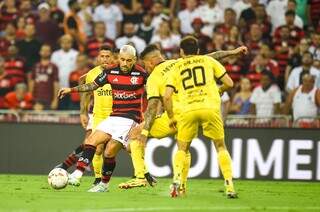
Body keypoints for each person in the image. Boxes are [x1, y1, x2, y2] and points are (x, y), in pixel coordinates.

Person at [118, 43, 248, 190]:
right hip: (191, 110)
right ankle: (182, 186)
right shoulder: (179, 62)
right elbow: (211, 57)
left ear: (151, 61)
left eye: (145, 64)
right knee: (185, 148)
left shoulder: (153, 78)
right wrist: (233, 52)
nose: (146, 68)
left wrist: (145, 132)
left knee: (135, 135)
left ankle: (140, 177)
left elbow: (152, 108)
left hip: (174, 116)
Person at [58, 45, 148, 192]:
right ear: (118, 58)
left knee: (109, 152)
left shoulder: (142, 74)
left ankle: (104, 184)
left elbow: (154, 94)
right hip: (113, 117)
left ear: (135, 60)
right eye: (122, 60)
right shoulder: (110, 71)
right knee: (91, 141)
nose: (125, 64)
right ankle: (77, 174)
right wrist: (71, 90)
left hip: (131, 119)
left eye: (128, 60)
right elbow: (92, 86)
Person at [163, 36, 236, 198]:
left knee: (182, 148)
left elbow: (167, 96)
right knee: (220, 146)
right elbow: (230, 83)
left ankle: (177, 182)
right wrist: (220, 89)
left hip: (188, 110)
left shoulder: (176, 66)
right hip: (210, 107)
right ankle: (229, 185)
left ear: (181, 52)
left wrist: (171, 117)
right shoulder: (208, 61)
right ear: (198, 51)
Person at [57, 45, 114, 186]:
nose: (105, 59)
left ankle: (142, 174)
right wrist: (83, 112)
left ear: (112, 57)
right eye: (102, 56)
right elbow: (85, 91)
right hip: (98, 115)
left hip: (116, 115)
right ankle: (97, 179)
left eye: (108, 56)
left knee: (125, 147)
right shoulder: (91, 74)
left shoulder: (117, 72)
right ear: (98, 58)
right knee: (97, 147)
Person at [29, 44, 59, 111]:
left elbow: (56, 83)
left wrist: (55, 100)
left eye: (47, 51)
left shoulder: (54, 66)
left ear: (50, 53)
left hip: (49, 98)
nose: (45, 52)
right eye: (43, 50)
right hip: (36, 98)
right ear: (40, 52)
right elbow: (32, 82)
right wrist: (30, 97)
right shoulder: (35, 66)